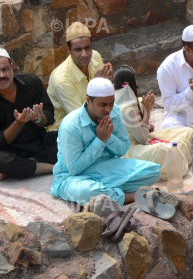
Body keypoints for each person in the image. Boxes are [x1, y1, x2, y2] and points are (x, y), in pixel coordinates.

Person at [51, 77, 161, 207]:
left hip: (107, 168)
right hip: (73, 177)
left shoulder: (115, 112)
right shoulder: (71, 126)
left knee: (153, 171)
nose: (108, 109)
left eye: (111, 103)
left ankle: (108, 192)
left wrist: (109, 137)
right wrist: (100, 140)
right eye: (102, 104)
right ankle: (130, 196)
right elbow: (74, 169)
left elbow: (122, 150)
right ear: (88, 100)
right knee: (87, 191)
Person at [0, 48, 57, 181]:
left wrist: (38, 119)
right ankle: (53, 168)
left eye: (5, 69)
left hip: (36, 142)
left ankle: (26, 165)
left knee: (70, 139)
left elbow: (50, 117)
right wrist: (18, 123)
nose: (2, 75)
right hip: (7, 150)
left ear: (12, 66)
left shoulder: (32, 82)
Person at [113, 65, 193, 180]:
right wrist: (147, 111)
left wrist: (146, 125)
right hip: (132, 151)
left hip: (144, 140)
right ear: (132, 83)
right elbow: (141, 139)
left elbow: (142, 131)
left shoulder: (127, 103)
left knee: (188, 131)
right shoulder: (128, 109)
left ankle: (179, 157)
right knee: (166, 150)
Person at [47, 22, 113, 131]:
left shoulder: (95, 57)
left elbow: (107, 101)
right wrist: (97, 89)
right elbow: (82, 119)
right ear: (68, 50)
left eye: (88, 48)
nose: (85, 54)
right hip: (69, 131)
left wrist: (109, 87)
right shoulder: (62, 80)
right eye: (78, 49)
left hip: (98, 118)